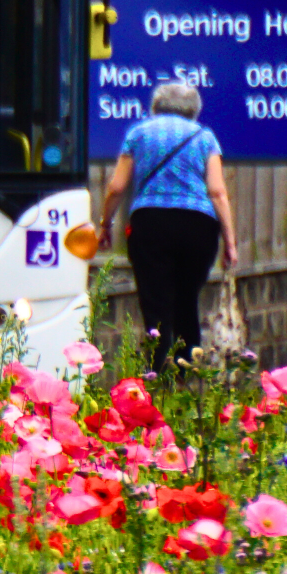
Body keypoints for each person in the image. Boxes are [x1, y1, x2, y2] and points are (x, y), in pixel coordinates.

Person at [97, 78, 240, 367]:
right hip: (198, 226)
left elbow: (116, 187)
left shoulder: (138, 133)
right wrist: (230, 242)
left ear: (156, 105)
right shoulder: (205, 137)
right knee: (186, 298)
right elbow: (217, 191)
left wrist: (105, 224)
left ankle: (156, 371)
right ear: (193, 109)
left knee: (155, 301)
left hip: (151, 222)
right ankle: (187, 369)